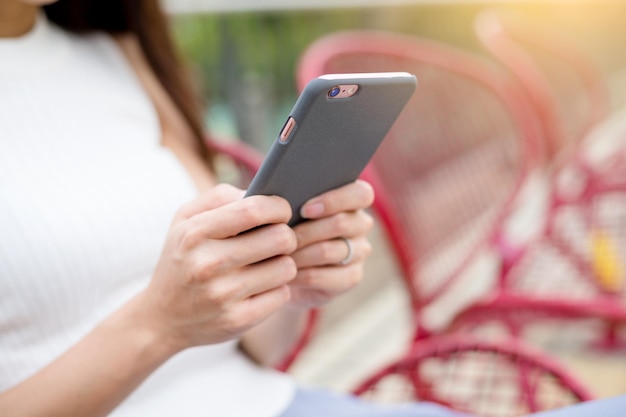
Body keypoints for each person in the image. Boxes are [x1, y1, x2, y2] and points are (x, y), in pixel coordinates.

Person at [1, 1, 624, 417]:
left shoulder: (114, 51)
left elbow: (254, 348)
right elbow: (170, 323)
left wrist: (286, 279)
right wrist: (160, 324)